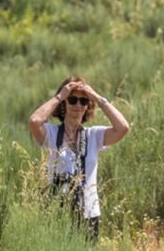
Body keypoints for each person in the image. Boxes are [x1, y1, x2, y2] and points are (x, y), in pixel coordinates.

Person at [26, 76, 131, 241]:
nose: (78, 105)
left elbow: (123, 127)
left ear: (87, 106)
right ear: (64, 104)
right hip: (57, 213)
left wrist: (95, 97)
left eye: (83, 101)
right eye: (72, 99)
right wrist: (60, 96)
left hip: (88, 214)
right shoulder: (52, 134)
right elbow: (34, 121)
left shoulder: (93, 135)